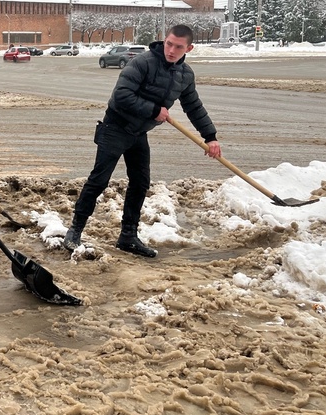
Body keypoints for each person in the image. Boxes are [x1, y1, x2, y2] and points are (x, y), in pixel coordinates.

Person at [62, 24, 221, 258]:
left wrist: (211, 137)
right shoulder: (143, 62)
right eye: (169, 44)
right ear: (164, 41)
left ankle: (128, 236)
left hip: (138, 133)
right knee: (98, 181)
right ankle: (74, 231)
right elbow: (121, 95)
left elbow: (194, 106)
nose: (171, 50)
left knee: (140, 183)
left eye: (178, 47)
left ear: (189, 48)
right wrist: (154, 109)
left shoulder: (185, 74)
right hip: (115, 127)